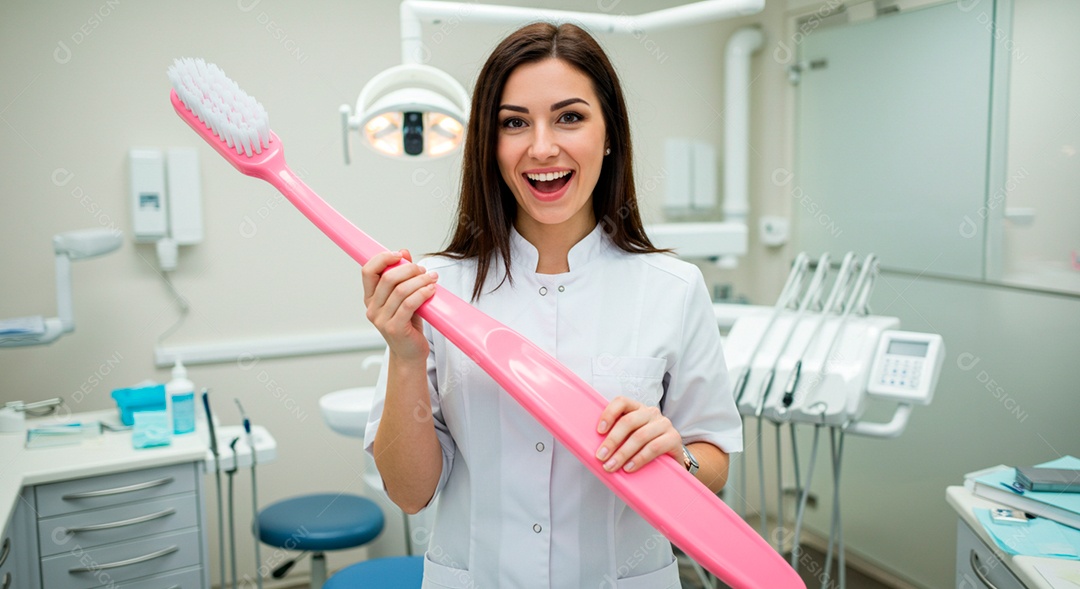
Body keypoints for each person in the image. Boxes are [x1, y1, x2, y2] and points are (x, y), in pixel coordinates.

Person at [363, 22, 742, 588]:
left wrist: (677, 457)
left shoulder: (673, 288)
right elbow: (410, 493)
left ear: (609, 133)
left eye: (570, 117)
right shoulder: (436, 291)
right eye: (514, 123)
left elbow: (711, 460)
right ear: (490, 146)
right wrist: (405, 356)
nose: (542, 147)